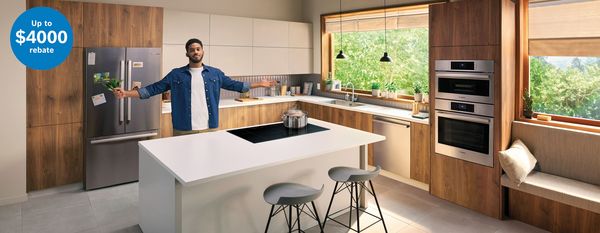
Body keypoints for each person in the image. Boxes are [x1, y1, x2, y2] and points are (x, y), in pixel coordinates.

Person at [113, 38, 274, 136]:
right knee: (184, 164)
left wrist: (258, 84)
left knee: (207, 163)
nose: (195, 52)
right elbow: (153, 89)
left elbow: (235, 85)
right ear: (187, 53)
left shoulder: (215, 74)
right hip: (183, 128)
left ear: (202, 51)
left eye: (198, 49)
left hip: (209, 127)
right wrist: (126, 93)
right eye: (192, 50)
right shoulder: (176, 74)